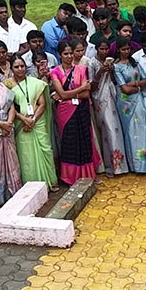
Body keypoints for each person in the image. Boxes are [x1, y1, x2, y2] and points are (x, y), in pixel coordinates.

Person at [51, 40, 100, 183]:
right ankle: (70, 177)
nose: (69, 56)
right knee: (70, 142)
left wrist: (69, 94)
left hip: (81, 109)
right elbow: (62, 93)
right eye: (65, 54)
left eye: (71, 53)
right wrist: (80, 89)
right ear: (59, 55)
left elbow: (86, 93)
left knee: (85, 140)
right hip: (65, 113)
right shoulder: (55, 72)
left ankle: (88, 175)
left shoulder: (81, 69)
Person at [3, 56, 57, 188]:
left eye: (22, 66)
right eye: (16, 67)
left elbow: (42, 104)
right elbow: (9, 108)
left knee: (45, 150)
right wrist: (24, 119)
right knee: (27, 155)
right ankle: (33, 186)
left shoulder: (35, 83)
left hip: (37, 122)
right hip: (21, 124)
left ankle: (50, 181)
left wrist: (33, 120)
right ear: (11, 68)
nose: (20, 69)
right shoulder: (6, 85)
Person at [112, 37, 146, 174]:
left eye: (128, 49)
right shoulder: (116, 67)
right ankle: (137, 166)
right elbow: (124, 89)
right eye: (123, 49)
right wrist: (137, 86)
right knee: (131, 131)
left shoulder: (134, 63)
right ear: (118, 50)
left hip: (138, 100)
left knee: (143, 128)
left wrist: (134, 84)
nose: (126, 51)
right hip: (125, 104)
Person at [85, 38, 127, 176]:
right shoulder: (92, 63)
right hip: (100, 100)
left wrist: (111, 71)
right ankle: (111, 166)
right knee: (108, 130)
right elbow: (92, 86)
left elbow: (114, 81)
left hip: (112, 96)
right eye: (101, 49)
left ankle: (119, 165)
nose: (104, 51)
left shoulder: (111, 62)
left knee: (116, 129)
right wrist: (100, 72)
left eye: (106, 49)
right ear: (96, 49)